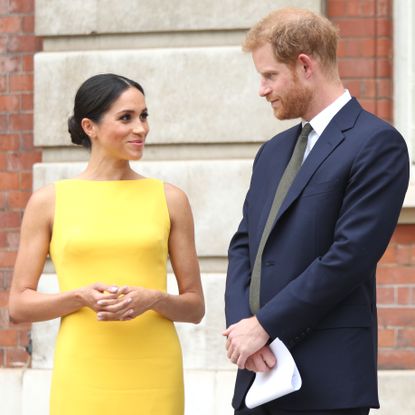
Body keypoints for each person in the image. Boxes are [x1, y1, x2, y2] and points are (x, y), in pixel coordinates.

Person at [224, 8, 409, 415]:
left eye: (270, 76)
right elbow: (244, 248)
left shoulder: (377, 144)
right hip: (256, 375)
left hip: (327, 379)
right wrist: (243, 331)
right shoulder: (272, 153)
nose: (262, 89)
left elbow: (349, 258)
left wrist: (265, 325)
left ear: (305, 65)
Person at [9, 73, 205, 415]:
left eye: (144, 116)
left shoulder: (171, 199)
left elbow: (195, 306)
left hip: (154, 369)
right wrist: (77, 297)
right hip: (83, 368)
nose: (141, 128)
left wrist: (154, 298)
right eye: (126, 118)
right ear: (90, 126)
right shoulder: (49, 202)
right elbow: (19, 305)